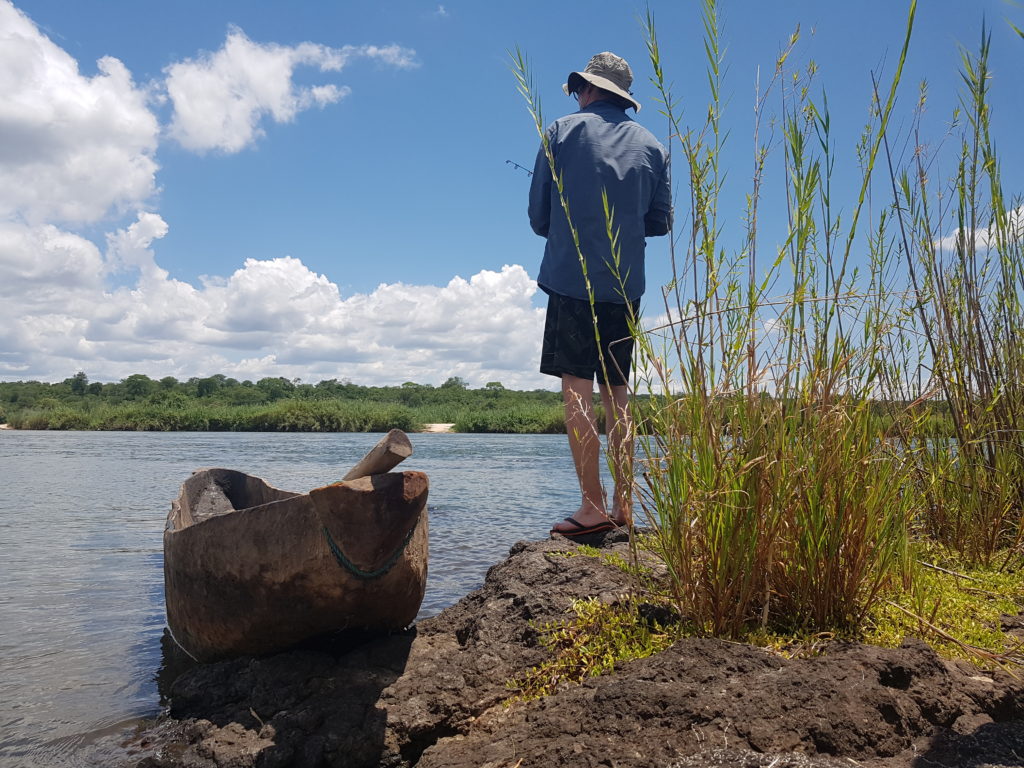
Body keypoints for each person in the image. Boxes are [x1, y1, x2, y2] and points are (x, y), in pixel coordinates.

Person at [528, 51, 672, 538]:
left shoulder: (561, 132)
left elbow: (538, 216)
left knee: (577, 387)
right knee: (618, 392)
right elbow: (659, 223)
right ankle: (625, 505)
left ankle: (591, 507)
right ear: (623, 97)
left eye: (578, 90)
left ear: (588, 89)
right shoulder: (654, 146)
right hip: (625, 286)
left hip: (572, 278)